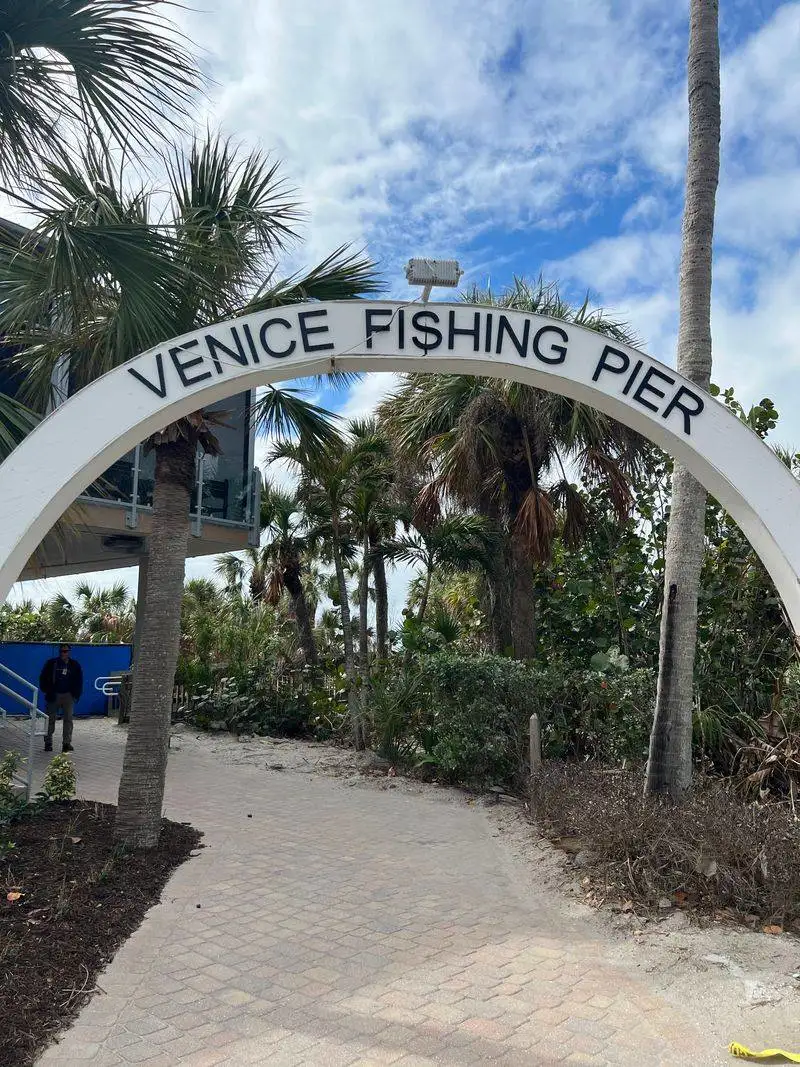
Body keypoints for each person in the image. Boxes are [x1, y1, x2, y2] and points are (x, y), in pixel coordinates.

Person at [39, 644, 83, 753]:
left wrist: (76, 694)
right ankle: (48, 743)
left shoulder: (74, 665)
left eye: (66, 651)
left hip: (68, 695)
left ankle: (66, 744)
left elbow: (79, 680)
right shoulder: (52, 663)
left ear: (69, 652)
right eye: (62, 651)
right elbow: (43, 677)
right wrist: (47, 690)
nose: (64, 653)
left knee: (68, 719)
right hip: (54, 695)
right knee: (50, 720)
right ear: (59, 652)